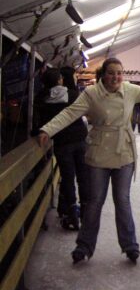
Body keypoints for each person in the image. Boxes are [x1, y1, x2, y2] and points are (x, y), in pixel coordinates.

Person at [37, 57, 140, 265]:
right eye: (111, 72)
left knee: (122, 200)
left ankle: (130, 245)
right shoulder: (91, 94)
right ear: (103, 75)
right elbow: (69, 113)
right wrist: (48, 129)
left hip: (124, 152)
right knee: (94, 201)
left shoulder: (129, 90)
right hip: (99, 153)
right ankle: (84, 246)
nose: (116, 76)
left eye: (119, 72)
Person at [34, 67, 89, 231]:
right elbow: (82, 113)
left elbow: (39, 123)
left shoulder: (41, 98)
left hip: (62, 143)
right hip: (79, 139)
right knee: (82, 176)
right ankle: (85, 212)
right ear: (60, 80)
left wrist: (38, 132)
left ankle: (71, 214)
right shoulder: (73, 95)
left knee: (67, 177)